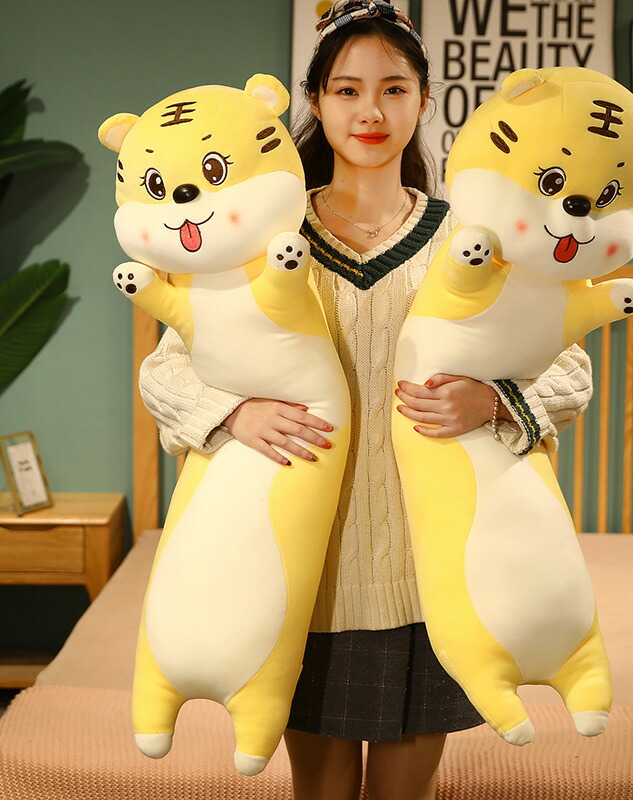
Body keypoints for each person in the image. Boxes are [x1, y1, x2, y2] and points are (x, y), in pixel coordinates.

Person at [138, 2, 593, 798]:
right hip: (301, 575)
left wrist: (493, 400)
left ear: (425, 99)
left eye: (393, 88)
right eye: (347, 90)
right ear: (316, 101)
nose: (371, 112)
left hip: (434, 570)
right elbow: (167, 371)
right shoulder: (258, 237)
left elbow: (568, 361)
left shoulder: (475, 239)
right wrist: (237, 415)